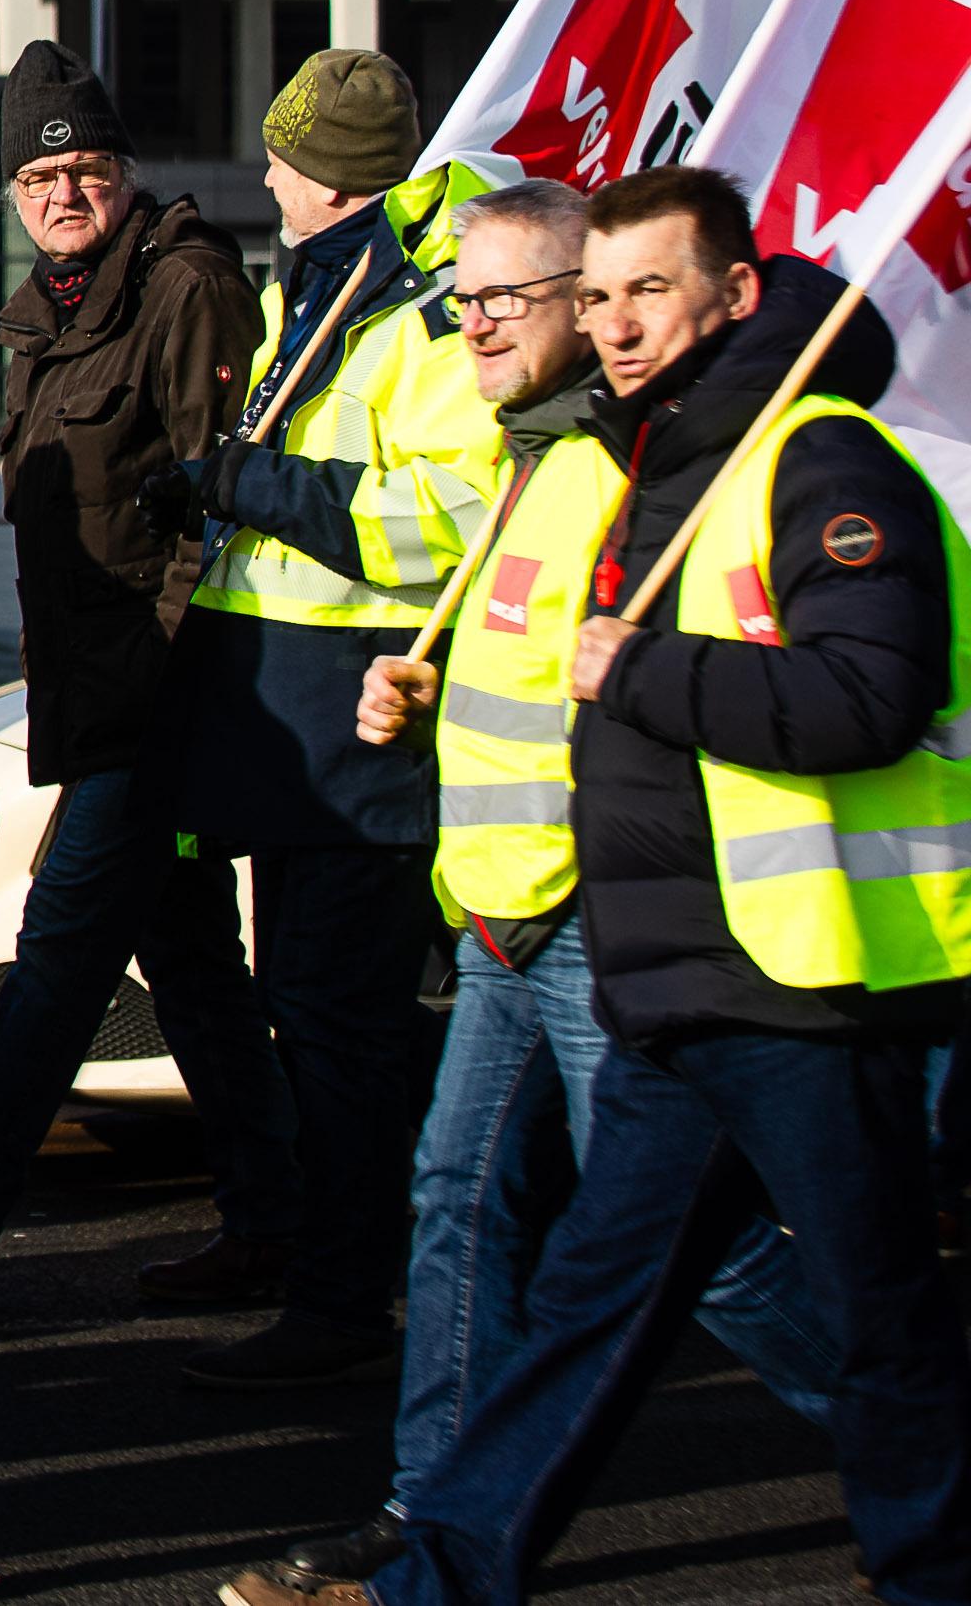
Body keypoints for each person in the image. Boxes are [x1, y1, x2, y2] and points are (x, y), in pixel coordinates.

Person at [221, 164, 971, 1606]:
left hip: (808, 979)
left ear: (733, 294)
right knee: (585, 1301)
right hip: (672, 967)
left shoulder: (818, 458)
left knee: (866, 1313)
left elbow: (874, 694)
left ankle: (935, 1566)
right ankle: (438, 1567)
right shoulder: (631, 459)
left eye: (646, 289)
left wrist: (646, 668)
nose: (618, 324)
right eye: (605, 293)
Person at [0, 41, 297, 1314]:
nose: (60, 195)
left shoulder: (186, 287)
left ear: (124, 175)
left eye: (81, 171)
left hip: (154, 698)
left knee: (53, 969)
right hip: (85, 701)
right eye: (38, 181)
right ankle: (267, 1221)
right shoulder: (50, 305)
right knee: (189, 962)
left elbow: (222, 508)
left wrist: (158, 684)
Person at [162, 48, 497, 1389]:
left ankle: (360, 1294)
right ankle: (359, 1266)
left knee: (340, 1018)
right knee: (322, 1010)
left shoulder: (419, 310)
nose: (266, 177)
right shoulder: (328, 281)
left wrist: (251, 485)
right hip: (296, 727)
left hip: (362, 721)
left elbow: (449, 523)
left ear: (326, 172)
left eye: (284, 158)